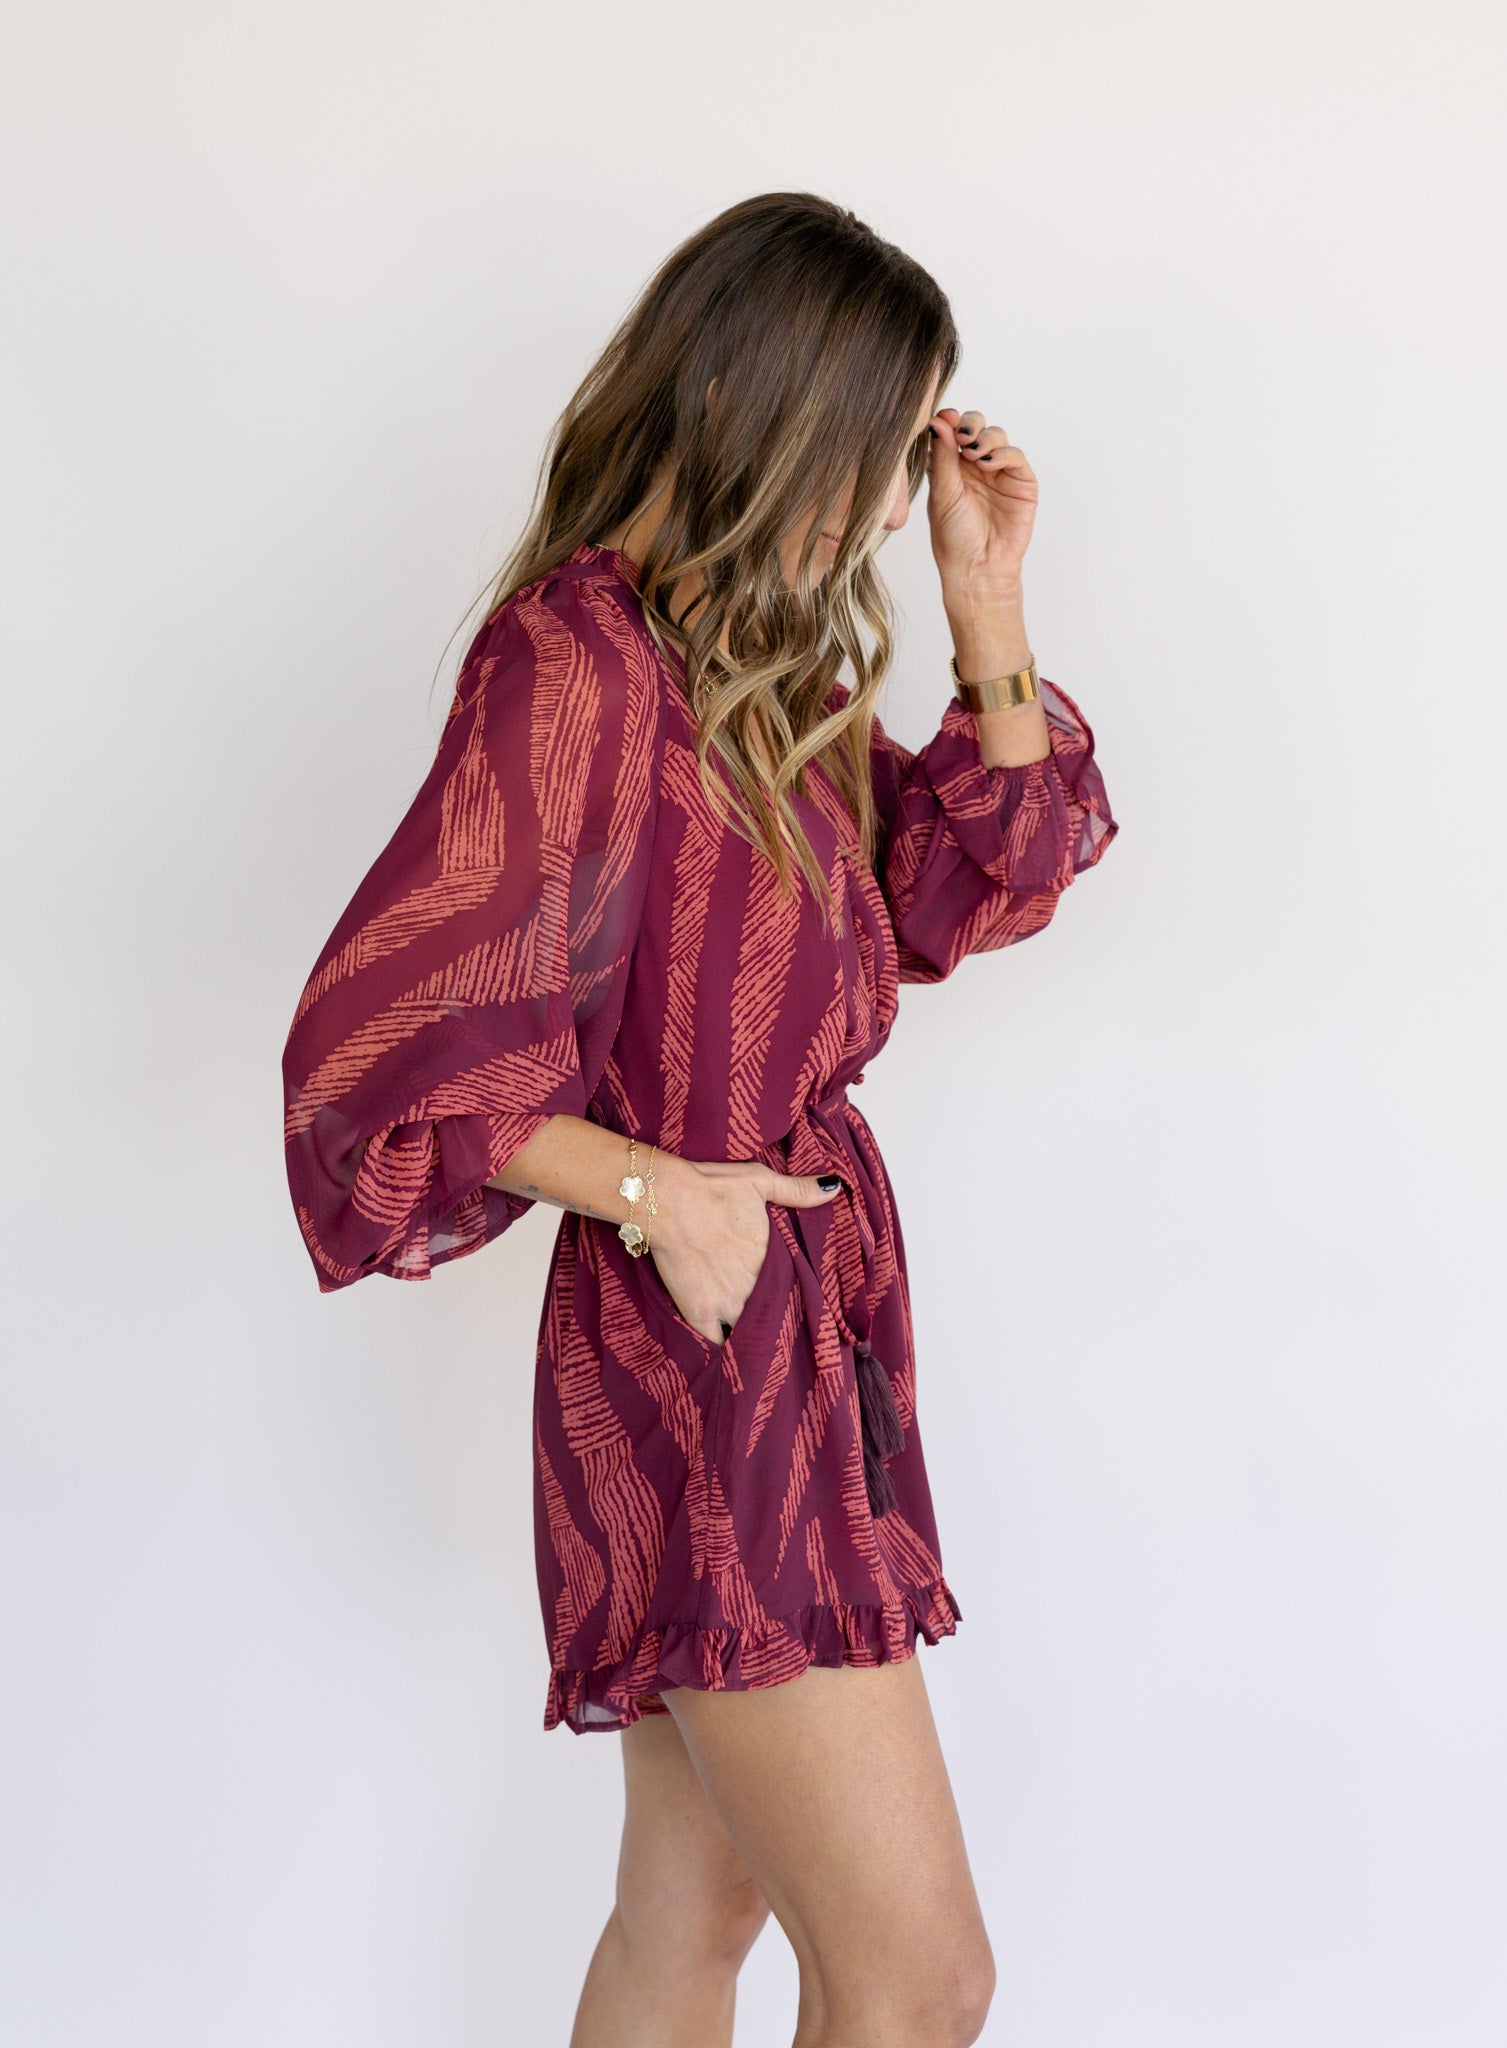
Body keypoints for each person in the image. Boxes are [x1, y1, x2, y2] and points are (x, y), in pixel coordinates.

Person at [281, 191, 1118, 2048]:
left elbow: (971, 884)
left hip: (781, 1335)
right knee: (920, 1977)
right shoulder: (573, 663)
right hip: (703, 1356)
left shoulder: (751, 676)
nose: (889, 507)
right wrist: (667, 1193)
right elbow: (374, 1050)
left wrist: (987, 606)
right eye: (879, 451)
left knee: (692, 1910)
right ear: (772, 403)